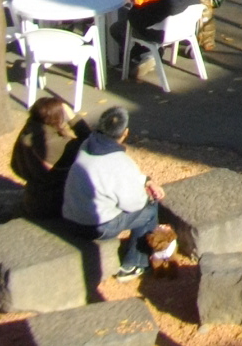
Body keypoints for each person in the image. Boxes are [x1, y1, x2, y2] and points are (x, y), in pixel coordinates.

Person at [61, 105, 165, 280]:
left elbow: (113, 178)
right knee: (150, 208)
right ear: (125, 133)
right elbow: (135, 203)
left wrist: (145, 181)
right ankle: (135, 264)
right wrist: (148, 193)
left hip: (70, 216)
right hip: (96, 228)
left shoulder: (87, 144)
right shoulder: (120, 163)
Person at [11, 93, 88, 220]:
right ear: (56, 119)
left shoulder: (28, 131)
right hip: (55, 204)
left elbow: (15, 166)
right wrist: (74, 118)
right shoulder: (57, 144)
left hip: (31, 198)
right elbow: (90, 142)